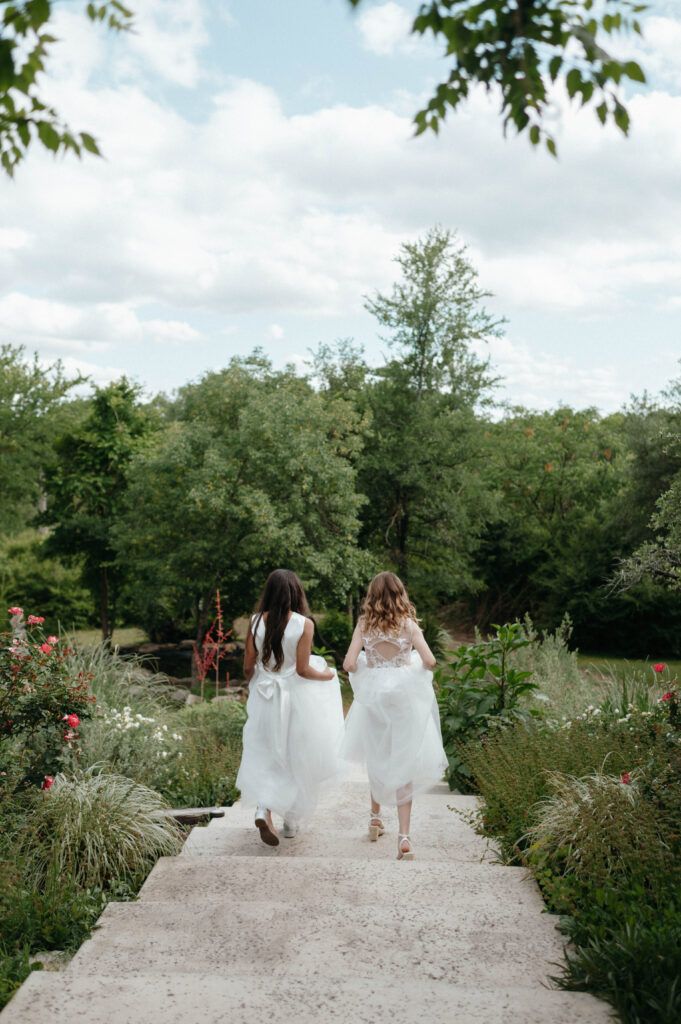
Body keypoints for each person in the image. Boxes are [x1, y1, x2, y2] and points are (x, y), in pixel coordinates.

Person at [342, 571, 447, 860]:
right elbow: (430, 661)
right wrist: (407, 663)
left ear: (372, 597)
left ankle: (375, 818)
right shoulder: (409, 626)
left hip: (375, 701)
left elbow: (349, 663)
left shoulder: (364, 625)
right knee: (403, 761)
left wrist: (369, 666)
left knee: (378, 756)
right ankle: (404, 837)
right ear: (400, 595)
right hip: (403, 702)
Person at [236, 568, 344, 847]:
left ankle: (263, 808)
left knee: (265, 752)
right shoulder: (304, 624)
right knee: (297, 755)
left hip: (265, 696)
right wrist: (328, 675)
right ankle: (291, 821)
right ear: (297, 592)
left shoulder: (255, 621)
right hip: (295, 700)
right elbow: (304, 670)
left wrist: (257, 680)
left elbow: (248, 665)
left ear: (268, 592)